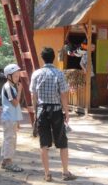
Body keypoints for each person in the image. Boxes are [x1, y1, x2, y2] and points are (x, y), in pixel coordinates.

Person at [30, 47, 76, 182]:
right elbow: (63, 94)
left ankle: (47, 174)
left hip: (41, 110)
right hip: (56, 110)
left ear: (42, 58)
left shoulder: (36, 74)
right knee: (62, 142)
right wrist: (66, 112)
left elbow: (34, 95)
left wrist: (35, 112)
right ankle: (65, 172)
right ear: (53, 58)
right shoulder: (59, 73)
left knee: (43, 144)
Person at [0, 63, 24, 172]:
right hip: (9, 118)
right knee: (10, 139)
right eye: (15, 76)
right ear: (8, 76)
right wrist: (19, 91)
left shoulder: (11, 87)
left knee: (10, 139)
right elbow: (15, 103)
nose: (17, 78)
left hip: (12, 118)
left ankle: (5, 161)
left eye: (18, 76)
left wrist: (18, 121)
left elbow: (16, 107)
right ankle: (8, 162)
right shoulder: (8, 87)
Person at [79, 43, 98, 107]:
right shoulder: (86, 54)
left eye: (94, 47)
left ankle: (92, 104)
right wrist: (84, 70)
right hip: (88, 74)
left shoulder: (89, 54)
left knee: (93, 89)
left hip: (91, 73)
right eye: (93, 47)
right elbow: (81, 63)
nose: (94, 48)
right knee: (92, 89)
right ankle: (90, 104)